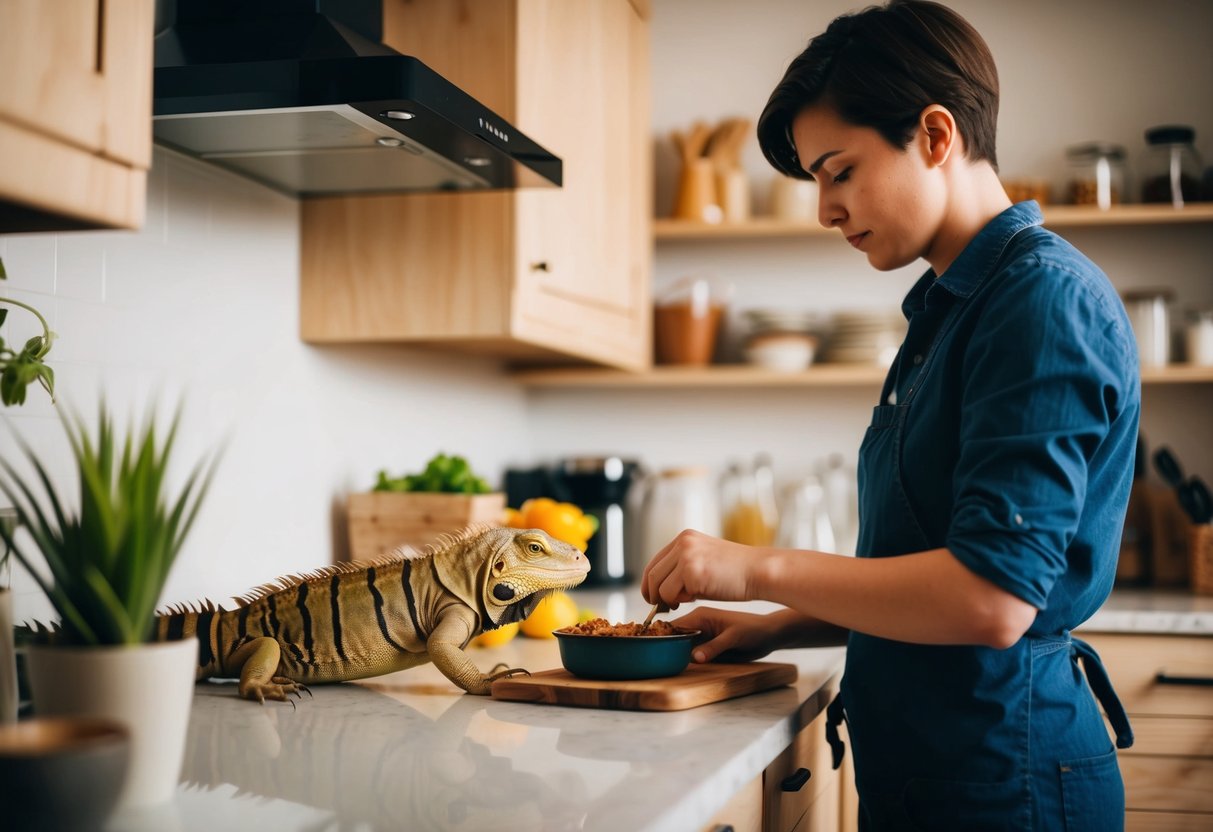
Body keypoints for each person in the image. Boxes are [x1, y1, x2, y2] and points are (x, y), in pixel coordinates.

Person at [640, 2, 1139, 829]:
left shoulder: (1039, 302)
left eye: (839, 171)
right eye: (815, 181)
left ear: (935, 136)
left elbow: (991, 597)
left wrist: (759, 568)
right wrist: (775, 627)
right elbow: (930, 566)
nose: (824, 209)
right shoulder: (955, 307)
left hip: (1005, 782)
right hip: (942, 772)